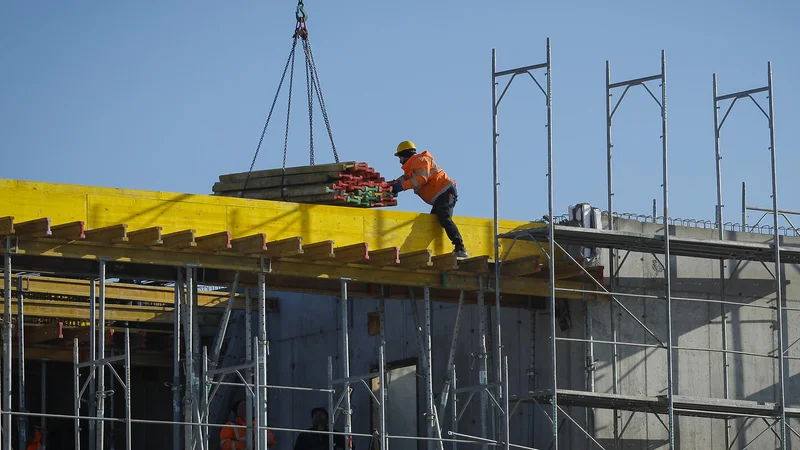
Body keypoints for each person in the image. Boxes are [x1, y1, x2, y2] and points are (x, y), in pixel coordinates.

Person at [389, 140, 468, 259]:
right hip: (440, 196)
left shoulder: (420, 160)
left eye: (400, 157)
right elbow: (405, 178)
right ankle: (423, 251)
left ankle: (460, 248)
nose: (400, 161)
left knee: (444, 219)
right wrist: (390, 184)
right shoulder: (412, 166)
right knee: (432, 222)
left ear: (404, 155)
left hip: (445, 192)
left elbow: (421, 178)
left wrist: (401, 187)